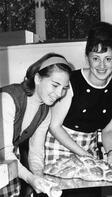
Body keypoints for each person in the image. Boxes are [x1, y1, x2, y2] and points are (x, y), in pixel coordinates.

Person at [44, 21, 112, 197]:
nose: (102, 65)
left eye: (108, 59)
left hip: (89, 151)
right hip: (57, 150)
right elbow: (54, 126)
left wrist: (111, 153)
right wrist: (85, 156)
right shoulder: (72, 81)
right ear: (87, 57)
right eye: (96, 58)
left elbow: (109, 129)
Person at [0, 53, 72, 197]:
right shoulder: (8, 99)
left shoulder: (45, 111)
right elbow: (5, 153)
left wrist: (39, 179)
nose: (59, 93)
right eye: (55, 85)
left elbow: (36, 152)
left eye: (64, 88)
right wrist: (31, 178)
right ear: (38, 78)